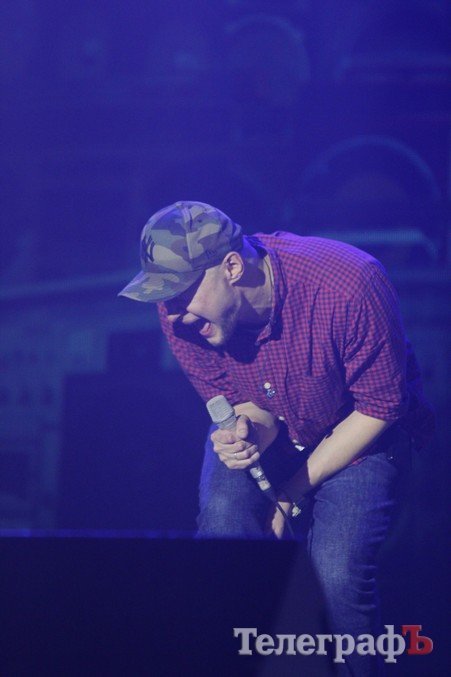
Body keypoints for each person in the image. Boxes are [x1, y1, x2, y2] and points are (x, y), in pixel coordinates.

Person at [119, 200, 434, 675]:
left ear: (232, 267)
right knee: (223, 531)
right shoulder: (183, 319)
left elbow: (380, 408)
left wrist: (288, 495)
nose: (174, 313)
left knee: (335, 575)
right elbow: (243, 404)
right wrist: (243, 433)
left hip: (362, 434)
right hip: (278, 422)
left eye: (181, 294)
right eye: (165, 298)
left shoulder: (349, 284)